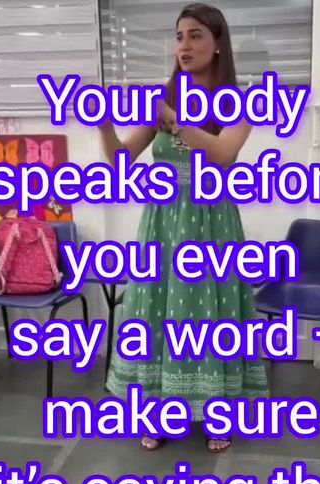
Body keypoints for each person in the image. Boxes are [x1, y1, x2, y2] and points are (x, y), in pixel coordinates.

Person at [100, 2, 269, 453]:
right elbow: (120, 160)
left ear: (218, 44)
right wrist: (102, 122)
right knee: (157, 314)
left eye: (195, 35)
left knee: (210, 315)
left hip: (211, 225)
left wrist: (174, 121)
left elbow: (223, 153)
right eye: (179, 36)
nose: (184, 45)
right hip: (162, 224)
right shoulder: (165, 97)